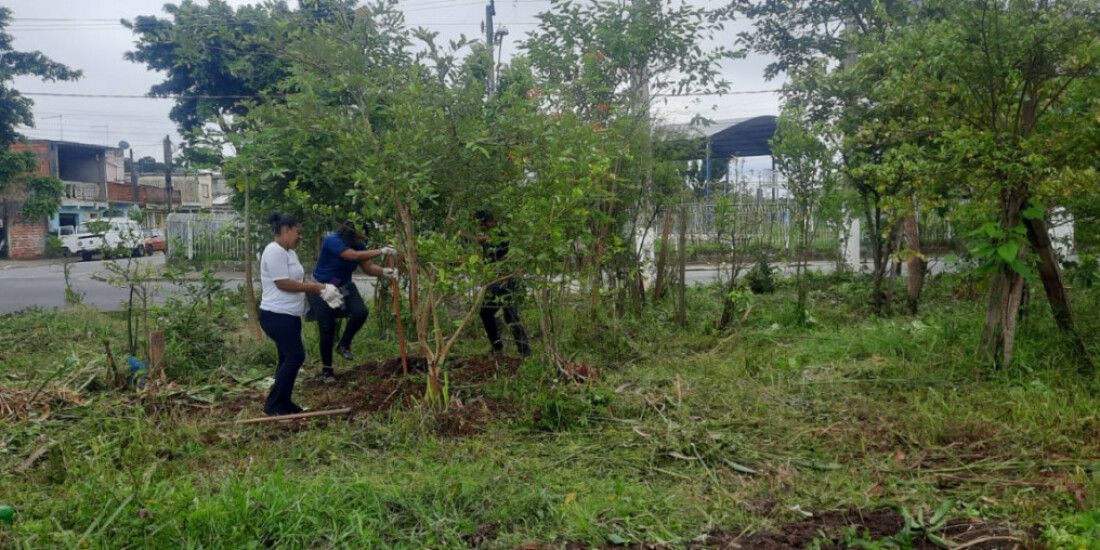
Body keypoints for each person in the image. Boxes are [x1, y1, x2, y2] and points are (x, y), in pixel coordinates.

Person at [259, 213, 344, 416]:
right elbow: (283, 283)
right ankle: (273, 406)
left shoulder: (289, 252)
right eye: (298, 232)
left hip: (289, 315)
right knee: (295, 356)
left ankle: (283, 403)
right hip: (275, 315)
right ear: (286, 229)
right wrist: (318, 289)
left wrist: (322, 288)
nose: (300, 237)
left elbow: (300, 277)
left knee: (286, 359)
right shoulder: (274, 251)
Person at [306, 221, 396, 381]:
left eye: (363, 238)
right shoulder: (332, 240)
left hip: (344, 285)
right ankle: (328, 371)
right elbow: (351, 256)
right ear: (350, 234)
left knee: (361, 312)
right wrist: (381, 251)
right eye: (359, 237)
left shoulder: (359, 245)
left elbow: (368, 267)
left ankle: (344, 344)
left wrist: (383, 271)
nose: (361, 241)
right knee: (327, 329)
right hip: (321, 288)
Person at [455, 210, 531, 357]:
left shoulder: (501, 232)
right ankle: (498, 347)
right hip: (495, 280)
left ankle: (524, 352)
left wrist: (458, 231)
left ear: (489, 222)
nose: (480, 228)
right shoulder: (491, 231)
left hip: (506, 280)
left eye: (481, 225)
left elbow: (481, 239)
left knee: (510, 316)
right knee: (487, 313)